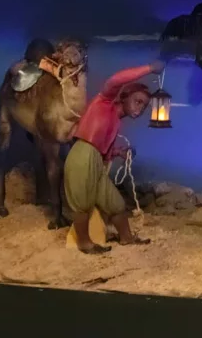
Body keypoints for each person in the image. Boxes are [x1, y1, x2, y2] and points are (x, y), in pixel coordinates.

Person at [63, 61, 164, 254]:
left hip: (96, 161)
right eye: (138, 101)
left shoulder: (115, 120)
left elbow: (102, 148)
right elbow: (115, 80)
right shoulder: (105, 102)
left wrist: (118, 152)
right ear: (124, 97)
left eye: (144, 106)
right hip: (82, 155)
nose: (140, 108)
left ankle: (126, 237)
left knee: (116, 203)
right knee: (82, 202)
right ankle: (84, 243)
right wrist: (150, 69)